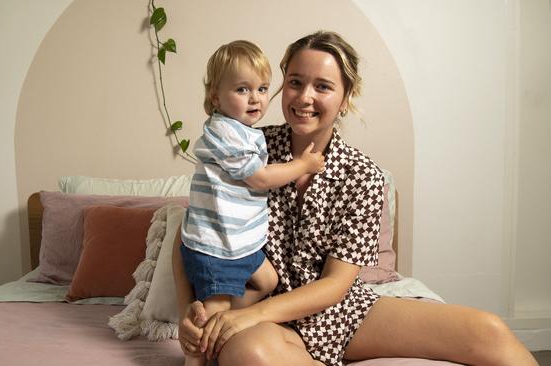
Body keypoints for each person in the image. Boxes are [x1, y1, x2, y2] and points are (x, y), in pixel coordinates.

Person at [172, 31, 539, 366]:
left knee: (488, 329)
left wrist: (247, 316)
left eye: (323, 86)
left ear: (347, 97)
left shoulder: (363, 176)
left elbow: (335, 284)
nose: (305, 97)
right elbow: (195, 229)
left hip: (342, 314)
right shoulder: (247, 150)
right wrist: (189, 308)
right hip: (268, 317)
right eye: (295, 83)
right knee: (248, 354)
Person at [176, 40, 326, 366]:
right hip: (218, 247)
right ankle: (198, 356)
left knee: (268, 281)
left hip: (241, 245)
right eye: (242, 89)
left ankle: (224, 319)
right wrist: (303, 165)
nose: (255, 98)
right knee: (210, 320)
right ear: (216, 97)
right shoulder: (225, 131)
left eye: (261, 88)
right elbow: (258, 178)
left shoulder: (246, 131)